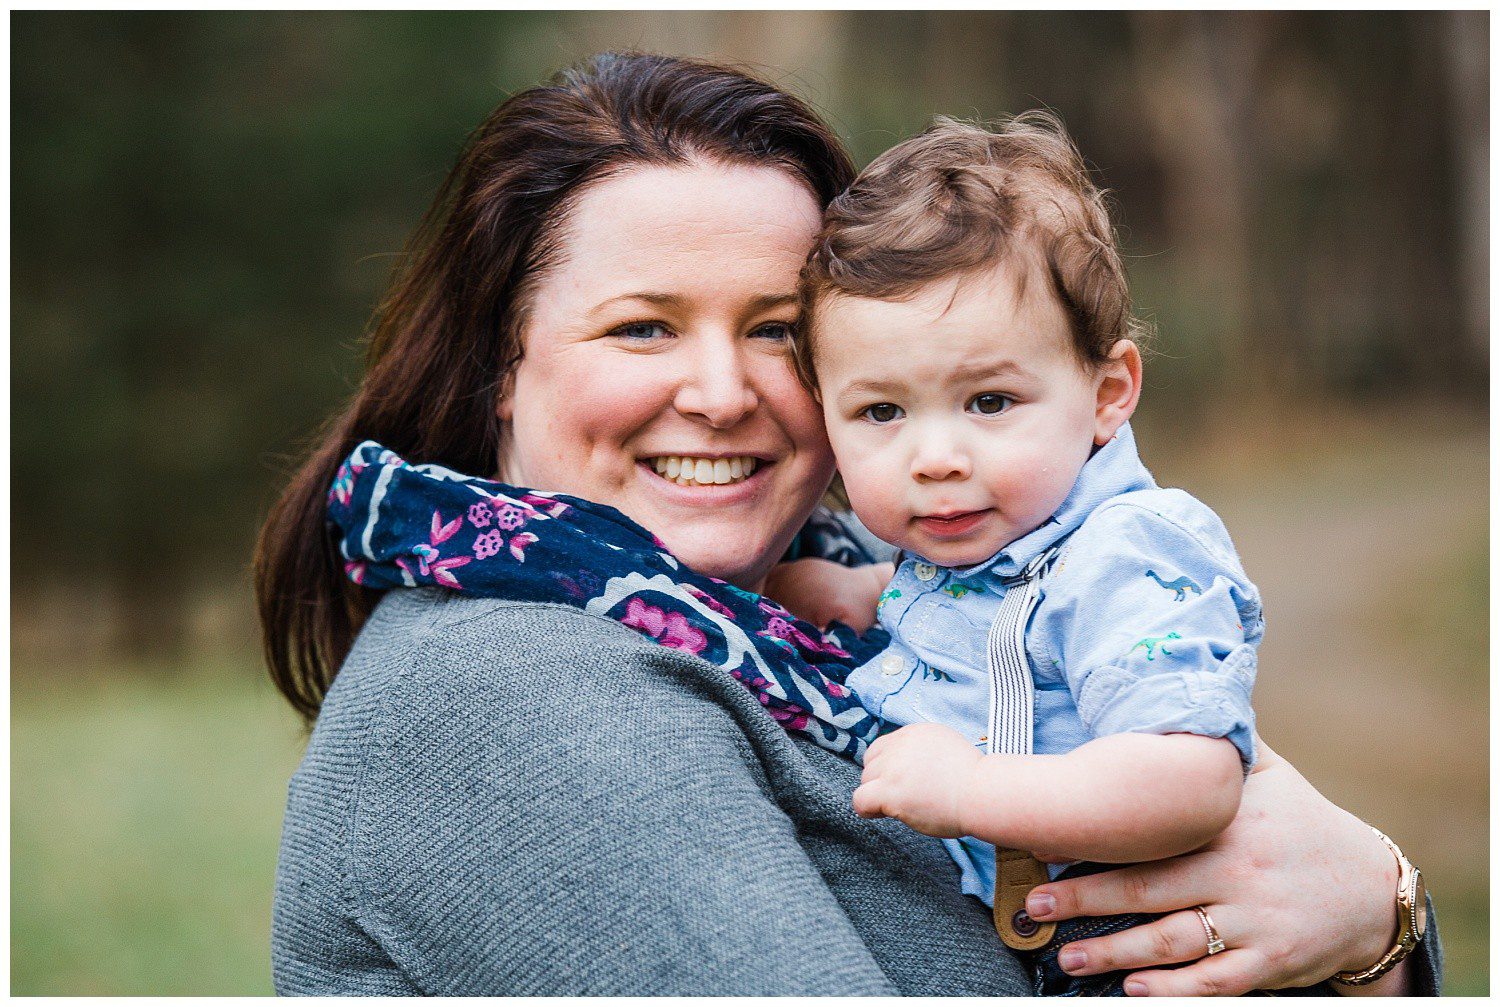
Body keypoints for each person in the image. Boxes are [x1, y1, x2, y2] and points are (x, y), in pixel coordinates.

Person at [257, 52, 1441, 995]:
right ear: (498, 369)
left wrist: (1370, 924)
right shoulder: (507, 689)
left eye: (776, 329)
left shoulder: (863, 609)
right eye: (642, 328)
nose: (722, 393)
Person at [769, 113, 1250, 994]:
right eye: (882, 412)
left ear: (1108, 393)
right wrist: (865, 587)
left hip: (1139, 941)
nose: (936, 455)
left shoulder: (1126, 555)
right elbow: (995, 624)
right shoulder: (981, 544)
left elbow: (1192, 777)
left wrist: (974, 789)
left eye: (989, 401)